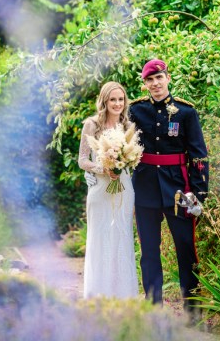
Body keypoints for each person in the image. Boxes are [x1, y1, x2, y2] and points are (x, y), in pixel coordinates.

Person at [128, 59, 209, 316]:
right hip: (145, 190)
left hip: (180, 191)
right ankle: (154, 310)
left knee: (186, 250)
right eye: (149, 80)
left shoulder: (186, 112)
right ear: (145, 84)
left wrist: (199, 195)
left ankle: (193, 311)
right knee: (149, 252)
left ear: (168, 77)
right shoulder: (135, 111)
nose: (155, 84)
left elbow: (198, 155)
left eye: (159, 78)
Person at [78, 81, 139, 299]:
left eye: (121, 99)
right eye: (112, 99)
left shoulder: (127, 126)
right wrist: (101, 168)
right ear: (104, 101)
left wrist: (123, 162)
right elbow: (82, 160)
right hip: (100, 189)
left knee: (121, 236)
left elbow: (133, 157)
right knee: (100, 236)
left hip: (123, 187)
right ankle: (98, 294)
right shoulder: (92, 124)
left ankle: (122, 294)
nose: (117, 104)